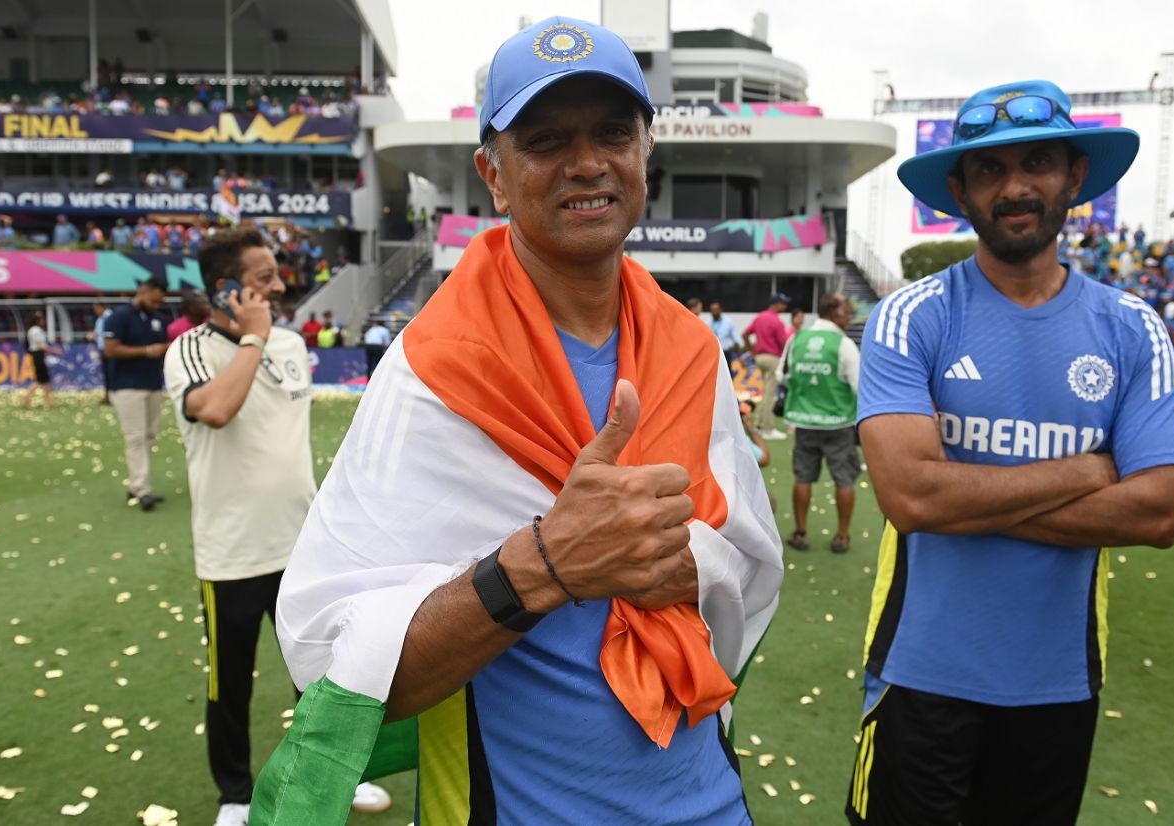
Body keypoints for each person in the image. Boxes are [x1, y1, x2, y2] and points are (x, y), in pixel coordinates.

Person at [256, 17, 782, 824]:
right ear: (493, 176)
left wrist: (687, 564)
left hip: (708, 797)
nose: (587, 163)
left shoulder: (690, 351)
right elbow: (344, 668)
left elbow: (742, 570)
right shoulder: (434, 368)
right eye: (545, 139)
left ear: (647, 152)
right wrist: (547, 566)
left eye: (613, 132)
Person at [845, 79, 1174, 825]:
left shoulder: (1133, 329)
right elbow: (909, 497)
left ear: (1074, 176)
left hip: (1058, 682)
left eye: (1037, 162)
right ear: (959, 189)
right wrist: (1086, 471)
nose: (1014, 187)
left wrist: (963, 500)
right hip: (919, 672)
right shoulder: (911, 317)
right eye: (988, 170)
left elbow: (1160, 510)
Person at [162, 228, 392, 826]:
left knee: (319, 676)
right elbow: (215, 410)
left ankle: (332, 774)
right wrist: (253, 339)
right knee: (230, 687)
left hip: (304, 546)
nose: (278, 284)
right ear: (227, 289)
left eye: (275, 274)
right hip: (232, 553)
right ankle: (235, 796)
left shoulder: (290, 345)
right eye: (263, 278)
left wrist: (263, 339)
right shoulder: (189, 351)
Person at [777, 293, 861, 553]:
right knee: (844, 480)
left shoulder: (797, 338)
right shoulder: (843, 344)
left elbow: (782, 375)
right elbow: (859, 386)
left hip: (804, 422)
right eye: (847, 310)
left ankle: (800, 532)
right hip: (839, 423)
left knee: (803, 477)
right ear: (835, 314)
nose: (850, 316)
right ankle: (842, 536)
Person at [103, 274, 170, 511]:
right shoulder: (118, 317)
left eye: (159, 302)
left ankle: (138, 484)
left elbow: (162, 348)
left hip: (152, 383)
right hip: (127, 385)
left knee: (150, 435)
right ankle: (141, 488)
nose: (156, 305)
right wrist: (146, 351)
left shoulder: (159, 319)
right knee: (135, 437)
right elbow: (110, 349)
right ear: (143, 291)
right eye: (154, 300)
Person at [743, 293, 791, 439]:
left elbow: (745, 334)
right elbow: (784, 343)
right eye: (783, 303)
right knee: (770, 393)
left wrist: (752, 350)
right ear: (776, 304)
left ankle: (760, 424)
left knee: (766, 392)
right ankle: (767, 429)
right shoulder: (777, 321)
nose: (785, 306)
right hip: (772, 358)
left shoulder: (759, 317)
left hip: (759, 357)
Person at [23, 311, 55, 408]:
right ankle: (26, 399)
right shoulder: (36, 330)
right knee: (40, 379)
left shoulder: (32, 330)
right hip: (38, 355)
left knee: (45, 380)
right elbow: (40, 345)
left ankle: (49, 401)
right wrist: (54, 350)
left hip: (37, 355)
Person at [90, 301, 114, 404]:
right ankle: (108, 396)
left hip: (111, 350)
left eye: (96, 309)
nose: (95, 311)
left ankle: (113, 397)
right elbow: (97, 333)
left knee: (112, 374)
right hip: (103, 349)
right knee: (107, 374)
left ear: (101, 307)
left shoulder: (111, 317)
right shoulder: (99, 319)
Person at [706, 300, 742, 366]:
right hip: (712, 354)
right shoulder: (707, 323)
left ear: (720, 310)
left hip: (725, 353)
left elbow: (736, 340)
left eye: (716, 310)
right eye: (712, 310)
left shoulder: (728, 322)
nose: (714, 312)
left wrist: (740, 357)